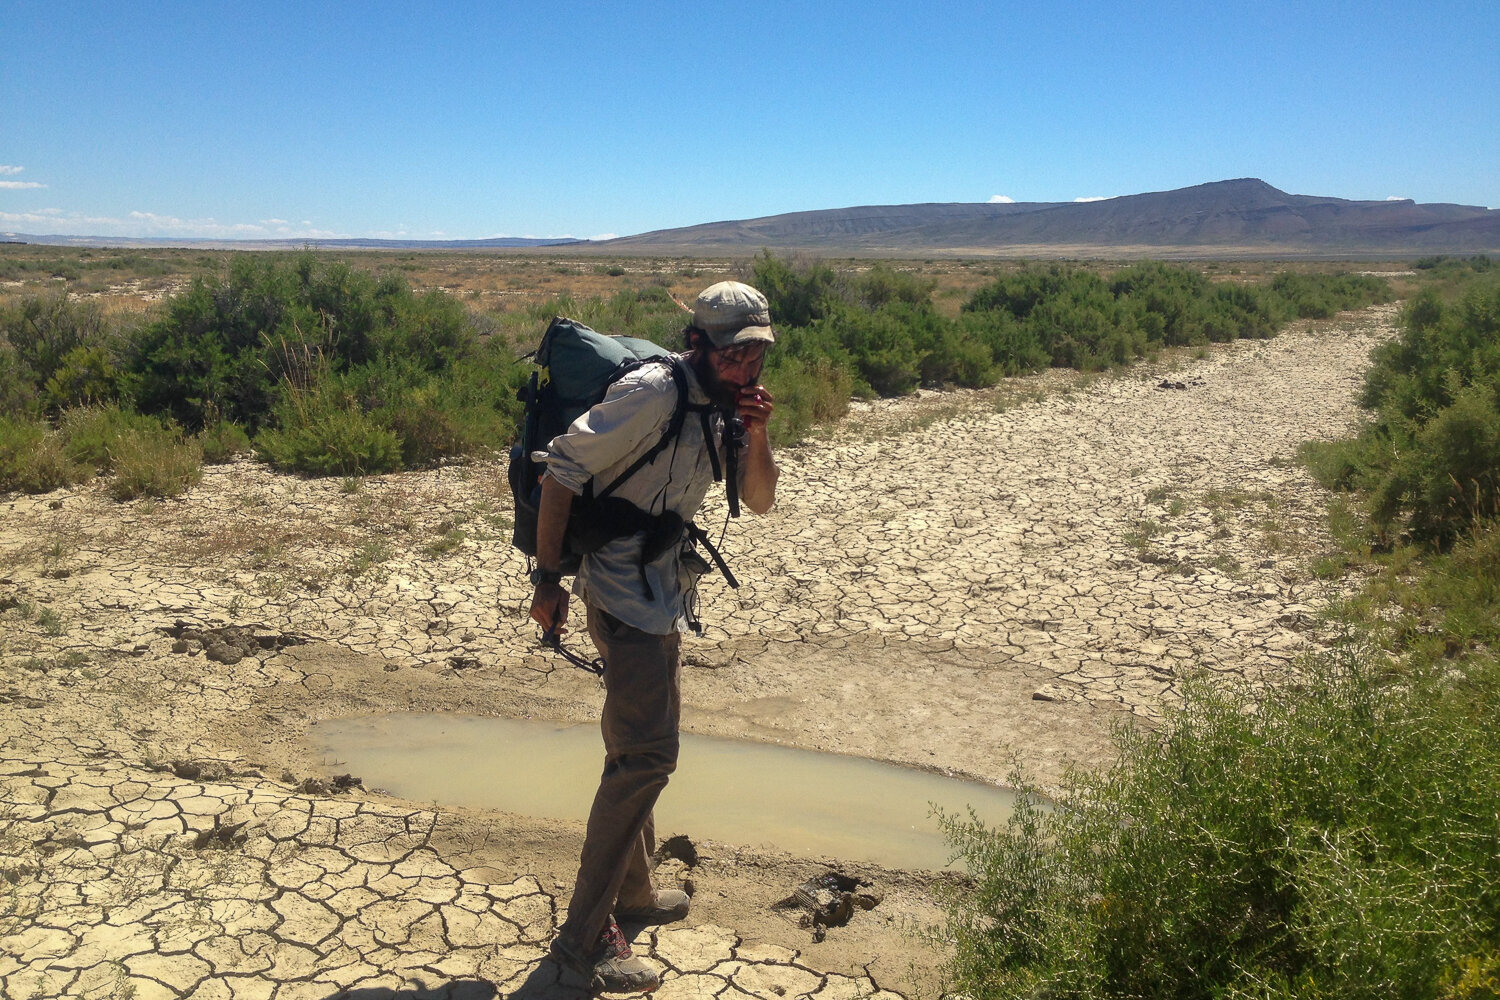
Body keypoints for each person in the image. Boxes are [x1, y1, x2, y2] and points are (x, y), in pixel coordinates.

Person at [530, 280, 779, 993]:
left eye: (756, 354)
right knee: (646, 757)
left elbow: (758, 501)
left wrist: (757, 430)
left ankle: (634, 895)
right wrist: (547, 581)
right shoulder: (653, 393)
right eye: (733, 355)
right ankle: (584, 939)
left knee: (632, 749)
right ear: (698, 344)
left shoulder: (730, 410)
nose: (746, 368)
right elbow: (561, 472)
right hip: (621, 595)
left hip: (663, 593)